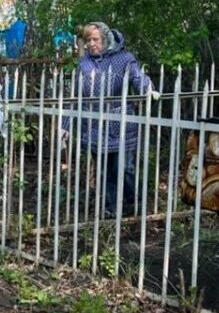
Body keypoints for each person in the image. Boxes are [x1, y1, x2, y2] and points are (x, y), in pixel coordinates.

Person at [62, 22, 154, 217]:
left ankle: (132, 201)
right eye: (88, 40)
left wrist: (147, 88)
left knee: (125, 167)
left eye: (95, 39)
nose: (91, 44)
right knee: (104, 171)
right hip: (94, 125)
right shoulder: (84, 64)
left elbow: (138, 78)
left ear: (106, 39)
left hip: (121, 123)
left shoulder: (124, 59)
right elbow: (75, 97)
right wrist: (65, 125)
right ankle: (110, 209)